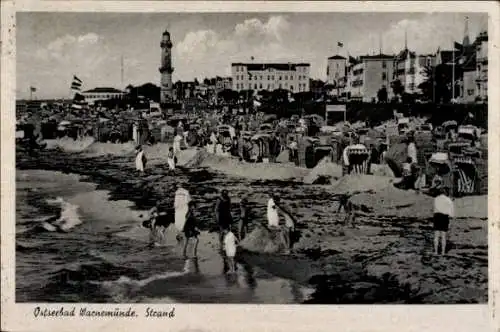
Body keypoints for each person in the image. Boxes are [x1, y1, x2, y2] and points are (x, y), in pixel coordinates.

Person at [432, 187, 454, 255]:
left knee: (436, 235)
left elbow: (434, 208)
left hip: (436, 216)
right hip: (444, 217)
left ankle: (435, 251)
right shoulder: (448, 200)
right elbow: (451, 212)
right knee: (443, 236)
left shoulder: (436, 199)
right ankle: (443, 252)